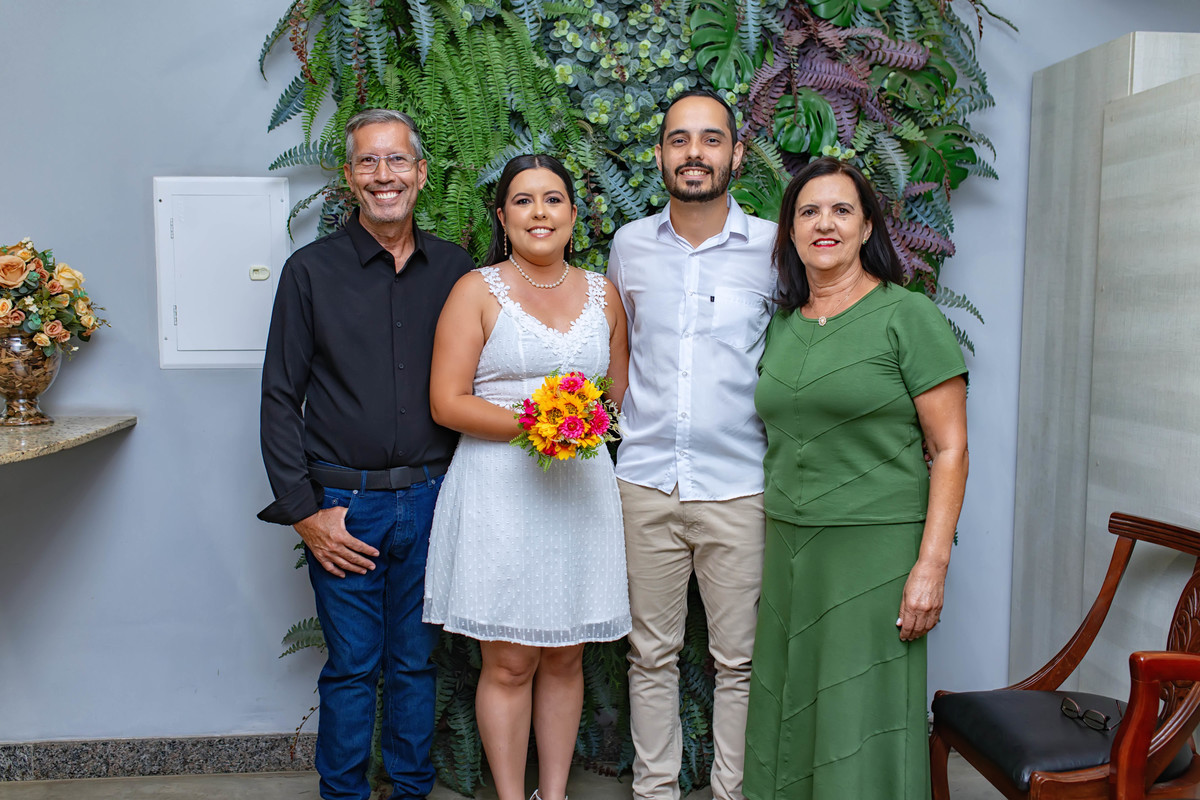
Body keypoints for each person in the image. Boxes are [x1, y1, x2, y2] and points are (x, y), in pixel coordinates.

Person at [258, 108, 474, 800]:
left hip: (435, 500)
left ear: (421, 173)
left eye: (397, 160)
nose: (385, 175)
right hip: (343, 509)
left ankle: (411, 791)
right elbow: (278, 398)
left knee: (416, 664)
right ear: (349, 177)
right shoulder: (310, 272)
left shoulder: (457, 271)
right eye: (368, 162)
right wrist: (304, 513)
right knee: (352, 668)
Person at [743, 156, 969, 800]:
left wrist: (931, 567)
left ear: (867, 227)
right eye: (809, 212)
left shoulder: (908, 315)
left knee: (859, 716)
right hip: (790, 547)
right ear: (790, 230)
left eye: (842, 210)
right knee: (790, 709)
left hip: (874, 552)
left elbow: (950, 448)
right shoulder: (784, 325)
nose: (825, 224)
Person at [423, 154, 632, 800]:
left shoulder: (604, 294)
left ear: (573, 213)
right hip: (499, 492)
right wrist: (539, 423)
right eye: (522, 200)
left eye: (552, 199)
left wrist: (583, 423)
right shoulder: (476, 291)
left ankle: (554, 794)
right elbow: (447, 401)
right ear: (502, 216)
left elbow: (614, 397)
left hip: (581, 492)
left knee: (567, 653)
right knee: (510, 659)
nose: (539, 213)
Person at [607, 89, 778, 800]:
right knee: (650, 655)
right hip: (646, 481)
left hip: (740, 485)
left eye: (711, 139)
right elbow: (619, 349)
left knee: (740, 662)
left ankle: (732, 792)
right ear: (659, 155)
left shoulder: (775, 246)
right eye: (679, 139)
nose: (694, 153)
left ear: (736, 153)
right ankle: (656, 792)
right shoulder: (629, 245)